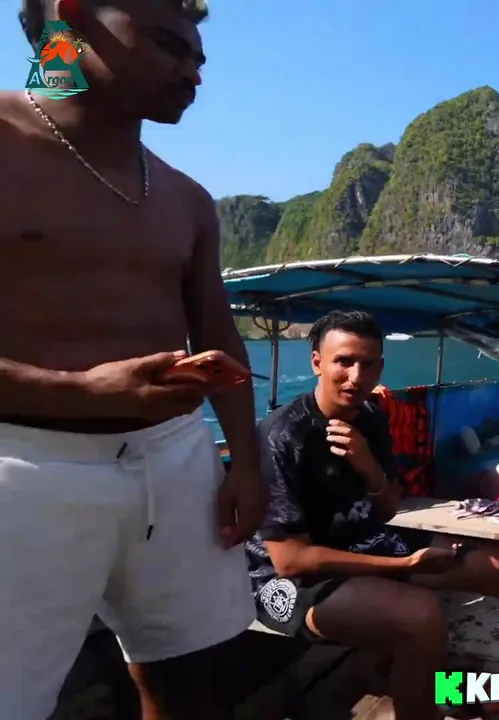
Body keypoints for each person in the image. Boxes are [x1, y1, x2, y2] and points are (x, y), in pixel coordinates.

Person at [0, 2, 265, 718]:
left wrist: (245, 461)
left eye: (200, 59)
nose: (193, 74)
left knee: (194, 678)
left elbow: (219, 337)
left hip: (175, 460)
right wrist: (80, 390)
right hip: (21, 465)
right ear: (73, 17)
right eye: (168, 45)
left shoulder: (188, 200)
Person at [246, 310, 499, 720]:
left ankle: (431, 680)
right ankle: (417, 693)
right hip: (287, 580)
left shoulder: (372, 418)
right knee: (420, 616)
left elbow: (388, 507)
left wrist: (368, 465)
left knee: (496, 568)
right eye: (344, 361)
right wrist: (403, 565)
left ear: (380, 368)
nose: (356, 377)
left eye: (368, 364)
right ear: (317, 362)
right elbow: (291, 560)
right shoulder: (282, 437)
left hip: (362, 543)